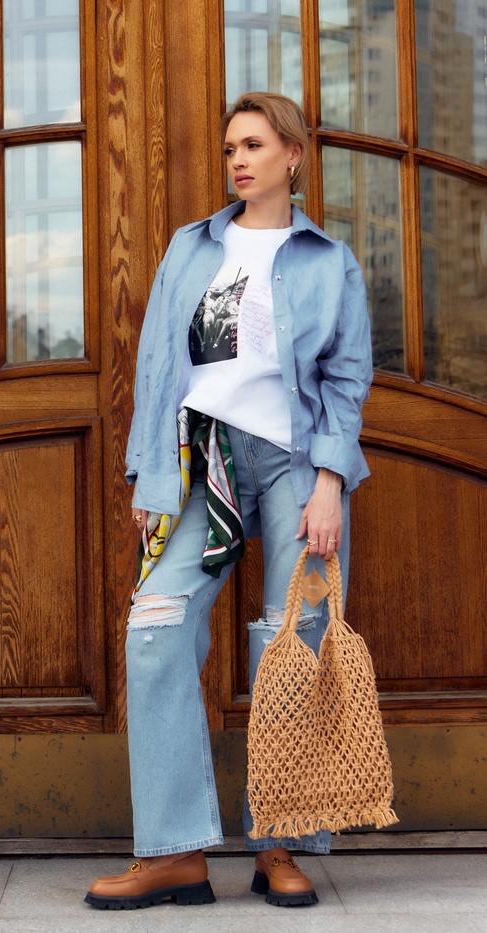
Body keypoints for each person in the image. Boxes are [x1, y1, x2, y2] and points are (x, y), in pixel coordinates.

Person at [85, 91, 373, 911]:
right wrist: (149, 473)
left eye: (254, 145)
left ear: (292, 154)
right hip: (200, 458)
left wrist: (329, 484)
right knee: (155, 630)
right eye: (229, 149)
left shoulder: (330, 262)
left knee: (294, 640)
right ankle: (174, 852)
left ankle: (280, 844)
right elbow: (155, 364)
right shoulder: (192, 247)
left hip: (294, 463)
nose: (238, 161)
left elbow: (347, 379)